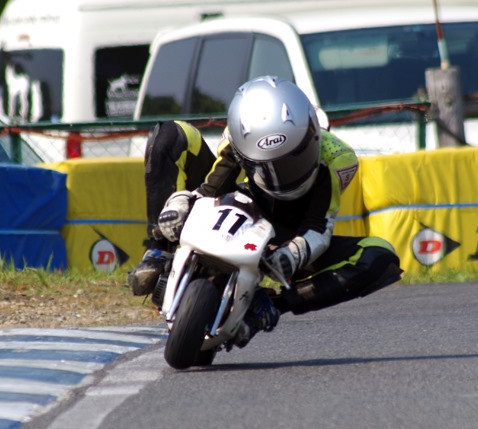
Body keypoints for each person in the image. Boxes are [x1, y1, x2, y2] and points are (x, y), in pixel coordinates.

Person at [128, 76, 402, 347]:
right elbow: (210, 189)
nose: (278, 176)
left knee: (380, 255)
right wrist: (180, 203)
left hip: (292, 234)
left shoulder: (338, 160)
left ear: (314, 139)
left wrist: (294, 253)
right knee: (171, 134)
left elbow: (319, 225)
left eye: (292, 161)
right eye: (265, 166)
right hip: (243, 202)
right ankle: (159, 252)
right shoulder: (236, 136)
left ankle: (270, 305)